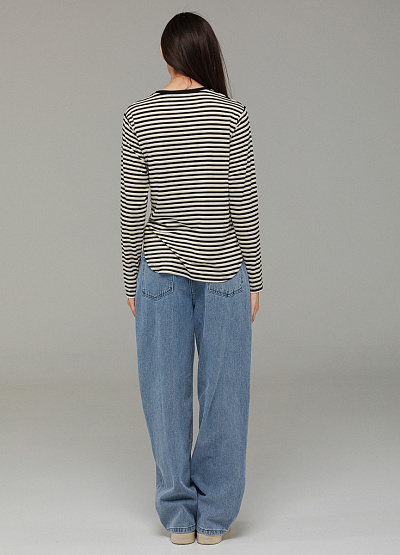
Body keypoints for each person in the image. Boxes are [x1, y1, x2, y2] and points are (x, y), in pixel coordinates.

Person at [120, 11, 263, 545]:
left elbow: (133, 211)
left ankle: (178, 515)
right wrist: (256, 280)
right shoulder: (232, 115)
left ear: (165, 54)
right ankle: (216, 517)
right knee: (226, 395)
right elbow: (243, 206)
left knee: (164, 394)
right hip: (225, 270)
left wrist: (129, 281)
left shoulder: (138, 116)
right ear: (206, 52)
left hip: (159, 273)